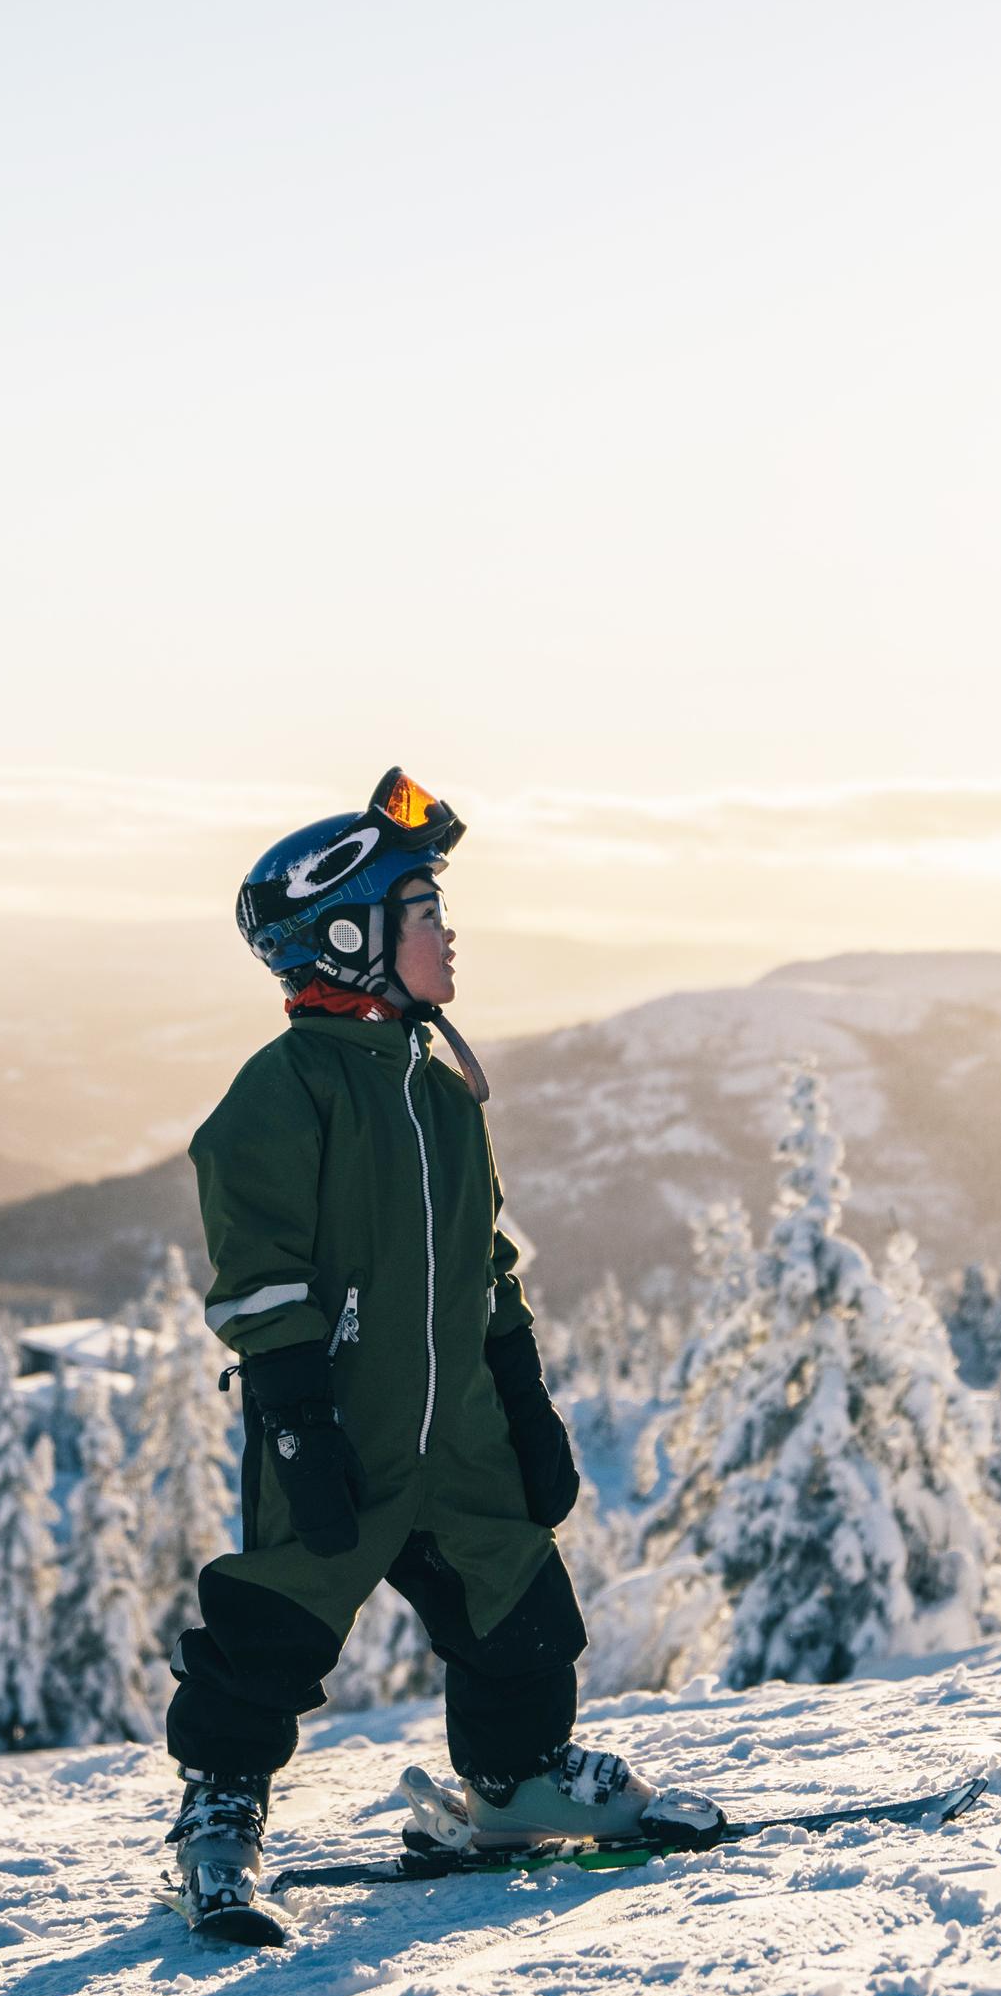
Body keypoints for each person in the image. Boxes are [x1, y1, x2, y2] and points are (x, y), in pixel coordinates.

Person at [164, 767, 716, 1920]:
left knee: (518, 1606)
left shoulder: (441, 1093)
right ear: (353, 934)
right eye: (425, 911)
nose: (449, 934)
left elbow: (487, 1266)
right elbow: (258, 1276)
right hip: (342, 1427)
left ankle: (515, 1781)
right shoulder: (285, 1092)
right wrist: (300, 1420)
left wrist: (521, 1395)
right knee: (271, 1623)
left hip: (459, 1433)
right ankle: (221, 1809)